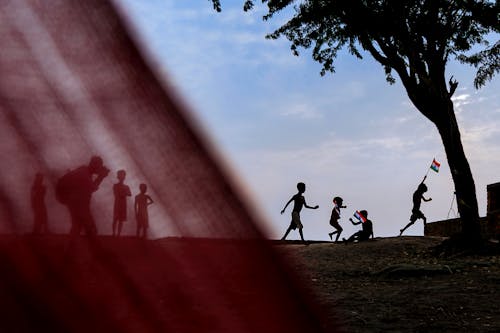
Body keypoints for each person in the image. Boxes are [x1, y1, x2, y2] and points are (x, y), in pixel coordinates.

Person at [56, 156, 110, 236]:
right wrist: (101, 176)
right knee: (89, 228)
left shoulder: (84, 171)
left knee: (77, 227)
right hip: (76, 202)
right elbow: (92, 188)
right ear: (94, 165)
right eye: (99, 166)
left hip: (74, 201)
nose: (100, 168)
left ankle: (70, 247)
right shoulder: (84, 173)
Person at [112, 170, 131, 236]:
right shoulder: (115, 185)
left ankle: (118, 234)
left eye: (123, 175)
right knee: (115, 218)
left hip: (123, 204)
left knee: (121, 220)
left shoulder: (126, 186)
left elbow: (129, 194)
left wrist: (124, 193)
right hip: (117, 203)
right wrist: (124, 193)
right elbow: (116, 193)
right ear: (118, 177)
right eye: (120, 175)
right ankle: (114, 233)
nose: (122, 177)